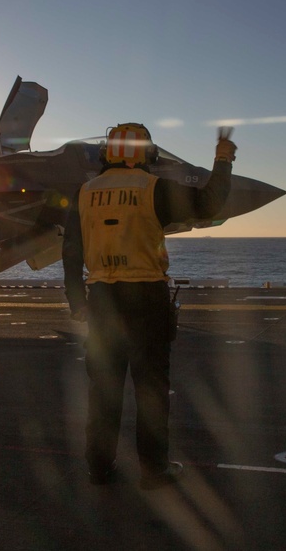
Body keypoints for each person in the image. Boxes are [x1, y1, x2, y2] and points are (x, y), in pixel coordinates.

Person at [62, 123, 236, 489]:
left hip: (102, 301)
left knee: (104, 392)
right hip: (146, 299)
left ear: (107, 152)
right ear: (146, 153)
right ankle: (153, 471)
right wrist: (222, 159)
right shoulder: (153, 189)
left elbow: (71, 252)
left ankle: (99, 468)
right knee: (151, 392)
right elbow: (209, 205)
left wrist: (77, 299)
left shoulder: (84, 192)